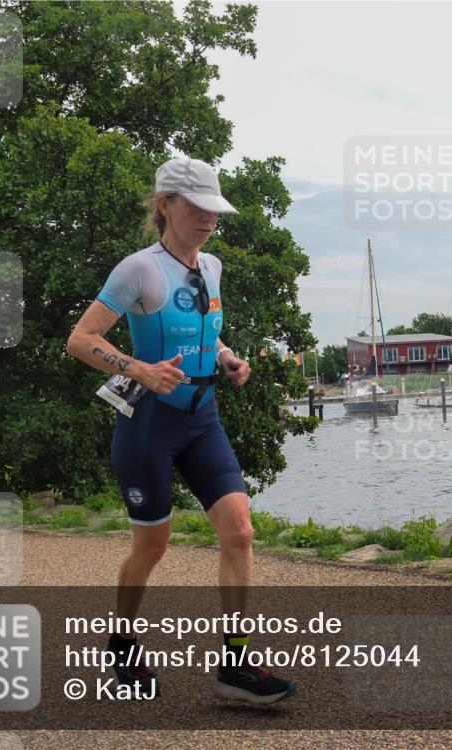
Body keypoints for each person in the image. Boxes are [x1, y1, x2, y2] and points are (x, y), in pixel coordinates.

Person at [66, 157, 296, 705]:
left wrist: (228, 357)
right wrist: (138, 368)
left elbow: (206, 332)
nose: (209, 219)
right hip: (148, 422)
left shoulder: (212, 267)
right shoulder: (138, 270)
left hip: (202, 416)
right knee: (153, 545)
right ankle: (121, 640)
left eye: (215, 209)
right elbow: (80, 339)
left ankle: (235, 665)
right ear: (166, 203)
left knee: (239, 531)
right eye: (197, 207)